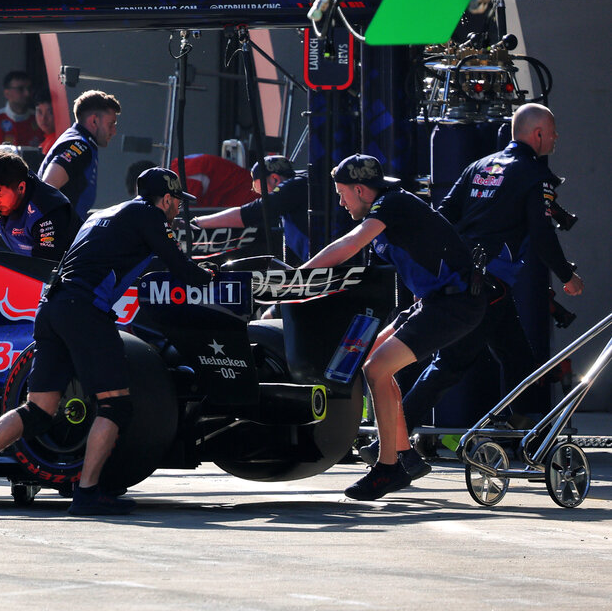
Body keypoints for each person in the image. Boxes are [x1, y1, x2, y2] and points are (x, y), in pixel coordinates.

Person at [0, 167, 209, 517]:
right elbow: (181, 268)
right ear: (167, 199)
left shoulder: (107, 214)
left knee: (38, 410)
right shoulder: (149, 214)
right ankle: (88, 493)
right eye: (176, 204)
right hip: (84, 311)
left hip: (51, 307)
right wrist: (212, 273)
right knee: (115, 406)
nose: (177, 211)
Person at [298, 153, 485, 500]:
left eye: (342, 194)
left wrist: (297, 279)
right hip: (432, 302)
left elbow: (349, 245)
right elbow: (361, 274)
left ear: (360, 190)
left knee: (377, 368)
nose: (340, 202)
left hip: (455, 303)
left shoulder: (392, 203)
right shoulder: (383, 213)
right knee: (367, 359)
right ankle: (406, 456)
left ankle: (388, 469)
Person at [401, 104, 584, 447]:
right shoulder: (533, 175)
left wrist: (432, 272)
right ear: (538, 134)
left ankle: (521, 427)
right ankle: (392, 437)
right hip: (485, 287)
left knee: (518, 358)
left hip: (475, 283)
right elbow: (542, 234)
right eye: (554, 131)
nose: (557, 137)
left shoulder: (478, 166)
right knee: (450, 365)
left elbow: (441, 217)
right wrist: (567, 275)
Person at [194, 155, 311, 262]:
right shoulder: (302, 183)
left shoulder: (295, 186)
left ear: (275, 179)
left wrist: (198, 222)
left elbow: (250, 213)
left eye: (264, 193)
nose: (264, 197)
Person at [39, 90, 121, 228]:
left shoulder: (80, 142)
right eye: (111, 124)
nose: (114, 131)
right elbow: (47, 186)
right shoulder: (79, 146)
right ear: (94, 121)